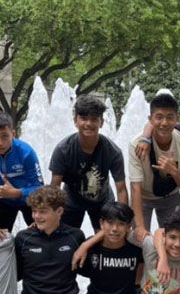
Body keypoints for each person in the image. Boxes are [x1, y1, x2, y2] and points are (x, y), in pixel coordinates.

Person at [49, 95, 128, 229]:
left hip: (102, 201)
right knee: (66, 239)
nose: (88, 124)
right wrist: (49, 216)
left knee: (108, 239)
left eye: (94, 119)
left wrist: (124, 221)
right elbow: (54, 188)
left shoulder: (113, 151)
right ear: (75, 121)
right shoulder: (63, 150)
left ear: (101, 122)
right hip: (71, 201)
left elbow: (121, 189)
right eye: (84, 118)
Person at [129, 93, 180, 240]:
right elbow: (135, 187)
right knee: (140, 240)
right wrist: (139, 227)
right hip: (143, 197)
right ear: (150, 119)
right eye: (159, 117)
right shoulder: (137, 145)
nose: (164, 123)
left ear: (177, 119)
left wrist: (174, 171)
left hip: (170, 197)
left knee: (172, 240)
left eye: (170, 117)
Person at [0, 110, 44, 231]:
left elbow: (38, 187)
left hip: (29, 199)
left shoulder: (26, 152)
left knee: (40, 234)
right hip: (4, 199)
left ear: (13, 134)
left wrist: (17, 193)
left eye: (5, 136)